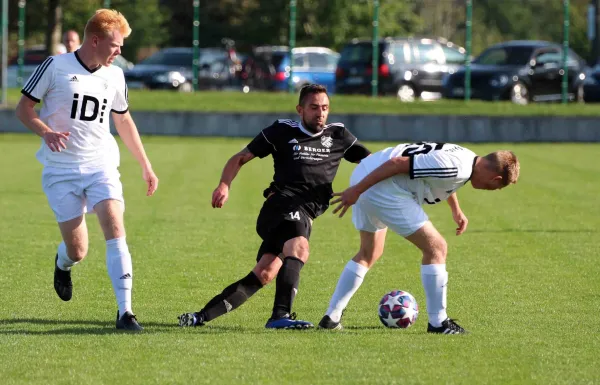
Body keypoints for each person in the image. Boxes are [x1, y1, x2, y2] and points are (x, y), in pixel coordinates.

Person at [178, 84, 371, 329]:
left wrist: (367, 187)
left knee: (265, 272)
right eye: (313, 108)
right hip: (281, 205)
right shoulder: (282, 130)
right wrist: (224, 185)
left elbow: (371, 162)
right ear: (300, 109)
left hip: (305, 214)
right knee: (299, 248)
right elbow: (240, 157)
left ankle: (199, 317)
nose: (320, 113)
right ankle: (280, 316)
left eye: (325, 108)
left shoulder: (338, 135)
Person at [15, 9, 158, 331]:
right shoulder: (55, 66)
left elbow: (122, 120)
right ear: (95, 40)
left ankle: (125, 312)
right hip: (60, 171)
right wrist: (45, 131)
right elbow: (23, 108)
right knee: (78, 250)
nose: (120, 51)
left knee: (115, 229)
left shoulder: (115, 75)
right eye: (115, 45)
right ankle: (62, 263)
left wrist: (146, 165)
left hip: (101, 165)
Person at [318, 142, 520, 334]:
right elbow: (398, 164)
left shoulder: (467, 158)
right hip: (380, 185)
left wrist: (455, 209)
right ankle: (439, 322)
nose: (492, 190)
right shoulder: (457, 167)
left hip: (366, 174)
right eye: (498, 188)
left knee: (369, 252)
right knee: (437, 248)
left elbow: (441, 177)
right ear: (496, 180)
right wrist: (356, 191)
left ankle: (331, 317)